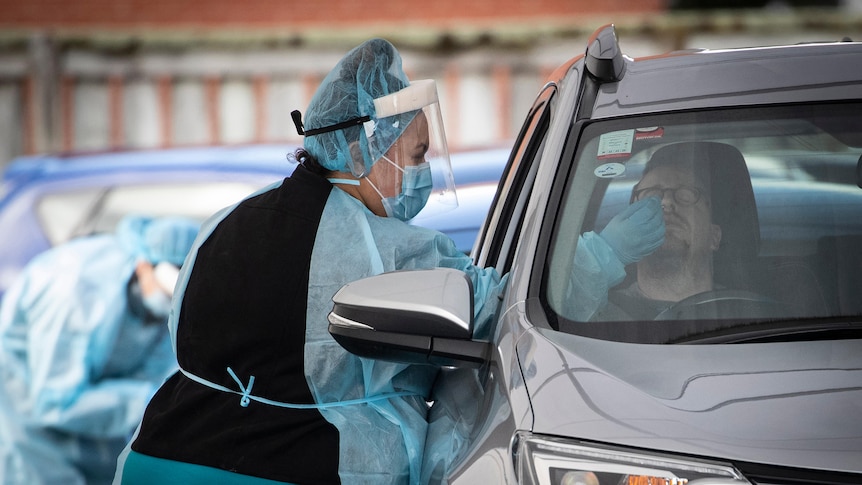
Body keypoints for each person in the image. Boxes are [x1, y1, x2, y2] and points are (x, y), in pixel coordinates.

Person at [114, 38, 505, 485]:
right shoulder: (383, 250)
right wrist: (599, 247)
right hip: (285, 470)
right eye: (416, 155)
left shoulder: (229, 220)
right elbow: (497, 305)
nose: (423, 171)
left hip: (156, 461)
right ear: (360, 152)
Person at [0, 214, 200, 485]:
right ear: (143, 266)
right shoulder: (76, 290)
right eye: (169, 294)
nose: (171, 304)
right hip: (27, 424)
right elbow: (56, 401)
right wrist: (147, 400)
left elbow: (157, 371)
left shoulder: (154, 301)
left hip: (90, 431)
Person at [569, 142, 734, 321]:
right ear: (629, 220)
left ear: (714, 237)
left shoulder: (754, 312)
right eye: (652, 195)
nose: (666, 203)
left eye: (686, 194)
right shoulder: (589, 314)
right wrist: (603, 253)